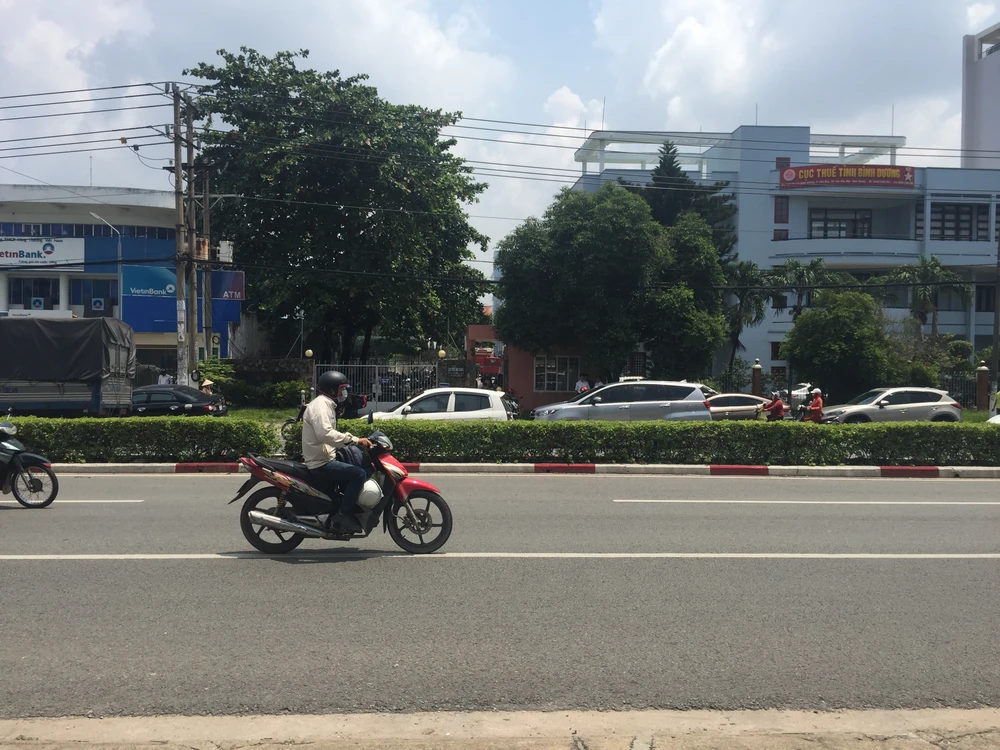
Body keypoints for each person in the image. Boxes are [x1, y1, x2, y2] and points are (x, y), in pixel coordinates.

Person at [302, 370, 373, 533]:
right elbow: (326, 433)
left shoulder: (326, 404)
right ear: (332, 390)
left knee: (354, 467)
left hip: (324, 456)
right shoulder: (321, 406)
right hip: (321, 463)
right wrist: (355, 439)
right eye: (342, 389)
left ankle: (341, 507)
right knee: (359, 474)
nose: (344, 393)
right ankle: (343, 515)